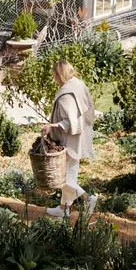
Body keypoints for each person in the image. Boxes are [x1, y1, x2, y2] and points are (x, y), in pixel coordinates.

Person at [40, 59, 98, 218]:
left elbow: (69, 121)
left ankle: (87, 198)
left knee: (59, 174)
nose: (54, 79)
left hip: (69, 139)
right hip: (80, 136)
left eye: (55, 75)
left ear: (60, 74)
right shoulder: (78, 84)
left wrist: (51, 126)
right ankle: (64, 208)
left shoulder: (66, 93)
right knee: (70, 173)